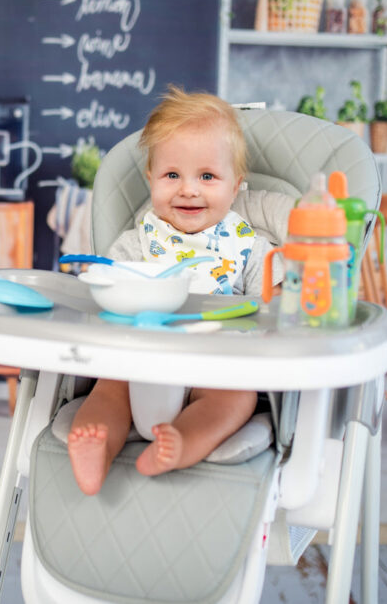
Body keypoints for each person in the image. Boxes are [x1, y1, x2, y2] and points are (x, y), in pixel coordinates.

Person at [67, 85, 282, 495]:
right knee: (107, 388)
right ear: (150, 178)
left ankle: (182, 443)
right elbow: (103, 300)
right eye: (171, 175)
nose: (188, 189)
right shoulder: (135, 245)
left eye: (207, 176)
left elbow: (274, 310)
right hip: (140, 364)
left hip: (216, 368)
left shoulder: (251, 247)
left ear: (236, 185)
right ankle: (97, 444)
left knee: (236, 399)